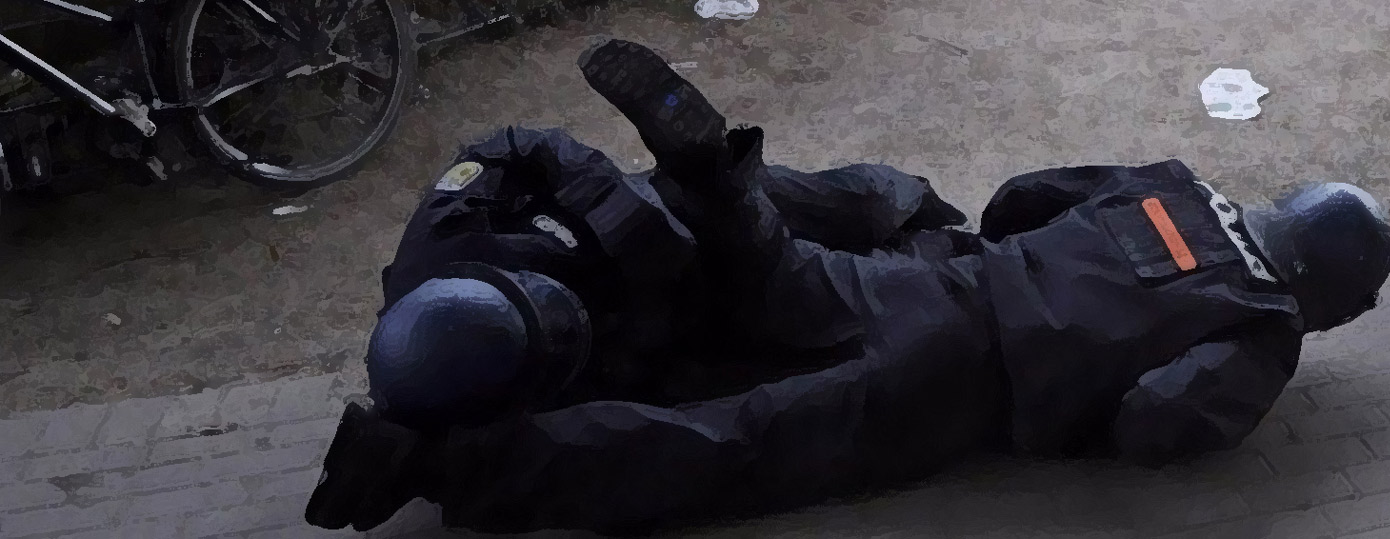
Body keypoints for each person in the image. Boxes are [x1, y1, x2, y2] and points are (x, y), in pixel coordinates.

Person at [306, 38, 1390, 534]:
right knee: (733, 443)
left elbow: (1020, 196)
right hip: (961, 382)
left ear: (1285, 200)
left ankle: (722, 186)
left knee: (785, 277)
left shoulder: (1172, 181)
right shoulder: (1259, 333)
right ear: (1333, 297)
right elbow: (1161, 423)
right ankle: (450, 468)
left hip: (936, 282)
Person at [364, 118, 968, 420]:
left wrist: (608, 202)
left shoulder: (442, 236)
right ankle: (952, 257)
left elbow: (513, 143)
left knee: (848, 200)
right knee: (850, 304)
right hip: (687, 306)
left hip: (643, 211)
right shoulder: (518, 407)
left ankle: (919, 205)